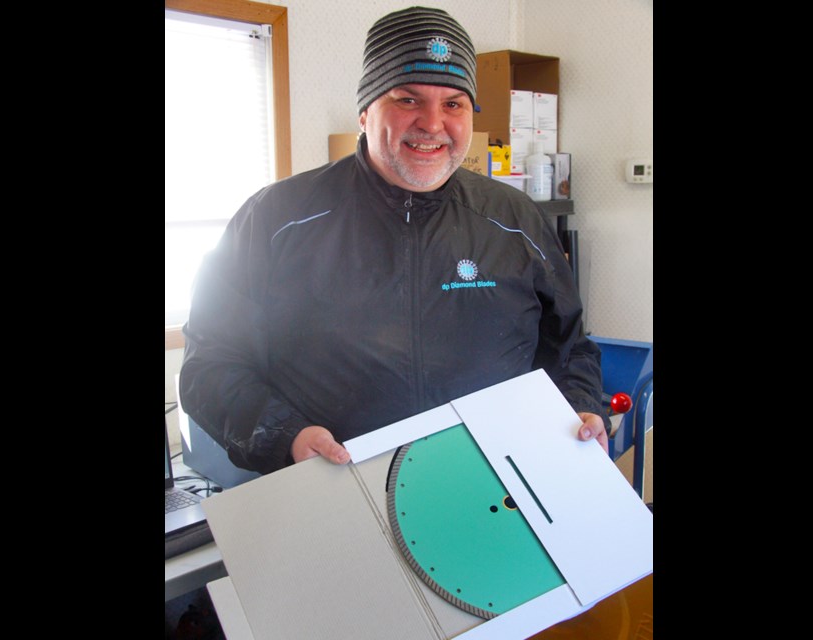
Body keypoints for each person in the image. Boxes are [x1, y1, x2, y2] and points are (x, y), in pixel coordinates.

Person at [179, 6, 609, 475]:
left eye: (453, 104)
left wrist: (580, 407)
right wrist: (288, 436)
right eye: (407, 99)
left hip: (490, 484)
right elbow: (211, 366)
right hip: (334, 487)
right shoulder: (274, 219)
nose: (431, 123)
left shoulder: (515, 218)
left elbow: (570, 350)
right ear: (365, 111)